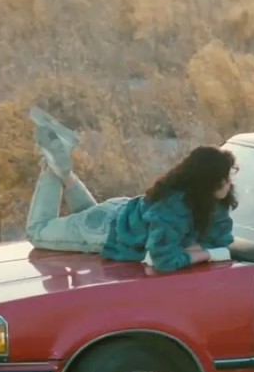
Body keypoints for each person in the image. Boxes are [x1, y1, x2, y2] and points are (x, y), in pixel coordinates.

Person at [26, 117, 238, 273]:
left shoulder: (210, 201)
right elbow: (162, 259)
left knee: (84, 216)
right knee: (37, 231)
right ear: (210, 181)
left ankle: (64, 171)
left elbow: (221, 239)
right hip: (105, 232)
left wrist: (197, 250)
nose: (230, 183)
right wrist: (207, 254)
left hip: (116, 214)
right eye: (226, 178)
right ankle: (53, 165)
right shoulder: (175, 208)